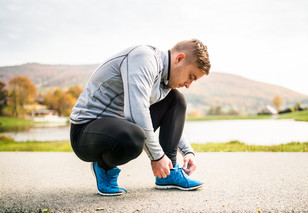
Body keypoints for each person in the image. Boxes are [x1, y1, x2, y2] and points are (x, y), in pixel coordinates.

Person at [69, 39, 211, 196]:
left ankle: (169, 173)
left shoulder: (164, 83)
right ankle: (103, 167)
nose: (189, 84)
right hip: (85, 130)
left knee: (176, 100)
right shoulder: (144, 58)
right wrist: (157, 157)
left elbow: (170, 122)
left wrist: (187, 152)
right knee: (133, 137)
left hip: (120, 125)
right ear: (179, 59)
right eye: (191, 76)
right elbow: (136, 112)